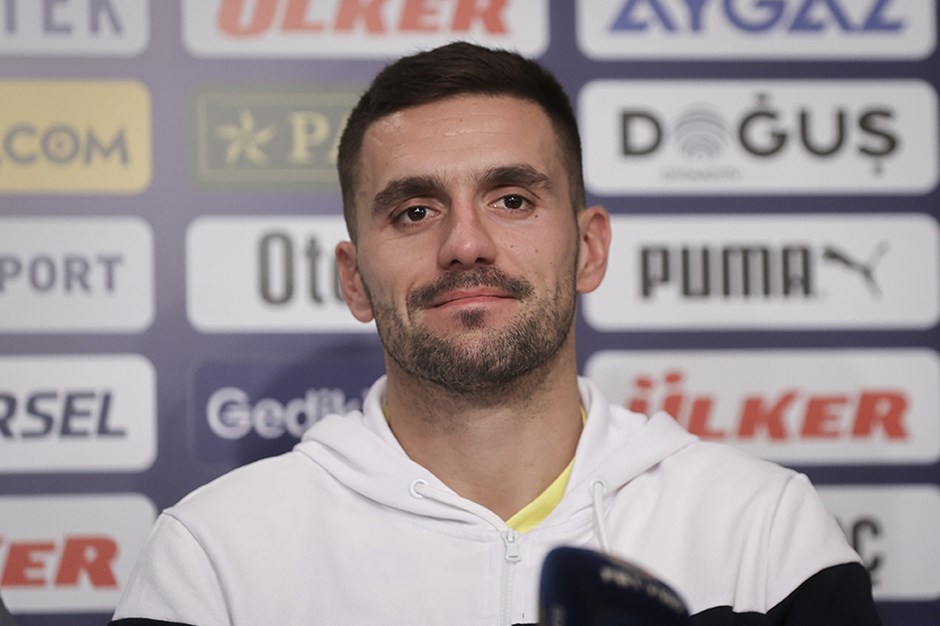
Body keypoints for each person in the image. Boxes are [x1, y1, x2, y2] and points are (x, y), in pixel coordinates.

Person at [110, 42, 880, 625]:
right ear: (354, 279)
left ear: (590, 249)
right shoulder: (215, 557)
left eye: (512, 199)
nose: (466, 244)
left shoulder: (761, 529)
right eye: (414, 211)